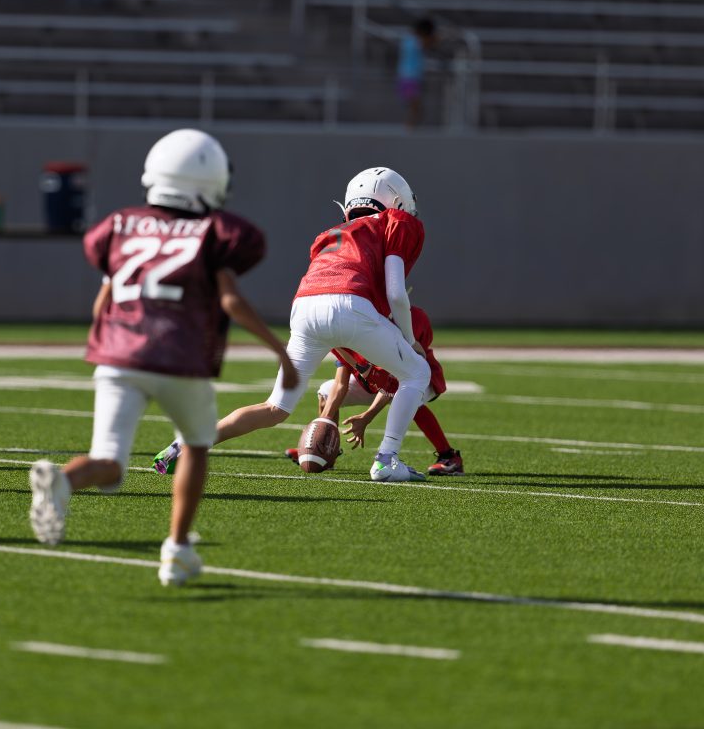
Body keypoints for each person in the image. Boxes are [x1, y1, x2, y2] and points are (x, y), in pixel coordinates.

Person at [28, 128, 297, 587]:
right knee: (196, 444)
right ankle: (177, 549)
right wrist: (280, 354)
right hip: (179, 355)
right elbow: (230, 301)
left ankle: (64, 481)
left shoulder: (121, 225)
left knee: (110, 463)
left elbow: (103, 302)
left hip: (118, 356)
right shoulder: (216, 230)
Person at [155, 166, 429, 483]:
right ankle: (386, 460)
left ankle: (184, 445)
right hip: (349, 303)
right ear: (397, 199)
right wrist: (409, 341)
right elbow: (395, 293)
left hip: (304, 307)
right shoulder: (396, 222)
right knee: (417, 372)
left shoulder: (330, 235)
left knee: (275, 408)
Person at [285, 306, 465, 476]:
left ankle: (449, 456)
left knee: (409, 398)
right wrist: (323, 427)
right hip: (375, 382)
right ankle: (327, 450)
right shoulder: (349, 324)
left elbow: (395, 382)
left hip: (418, 378)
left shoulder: (409, 318)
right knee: (326, 391)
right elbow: (340, 384)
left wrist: (367, 416)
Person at [397, 17, 436, 130]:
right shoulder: (415, 40)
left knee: (415, 104)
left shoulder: (409, 39)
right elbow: (429, 43)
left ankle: (411, 125)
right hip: (410, 76)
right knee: (415, 104)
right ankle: (410, 126)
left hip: (409, 76)